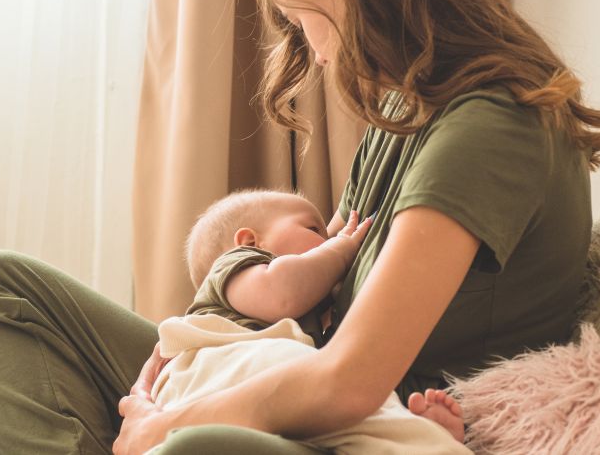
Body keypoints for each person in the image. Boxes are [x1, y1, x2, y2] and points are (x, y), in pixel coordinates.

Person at [0, 0, 600, 454]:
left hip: (367, 427)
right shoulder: (405, 108)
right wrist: (192, 356)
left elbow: (350, 383)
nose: (319, 58)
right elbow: (315, 298)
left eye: (304, 25)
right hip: (300, 376)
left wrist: (172, 419)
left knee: (197, 447)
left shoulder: (492, 129)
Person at [144, 188, 469, 454]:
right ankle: (420, 441)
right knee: (342, 396)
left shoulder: (306, 322)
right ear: (249, 242)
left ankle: (414, 437)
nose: (327, 238)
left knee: (335, 415)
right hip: (215, 372)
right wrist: (340, 252)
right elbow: (282, 292)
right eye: (314, 230)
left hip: (250, 408)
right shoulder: (236, 269)